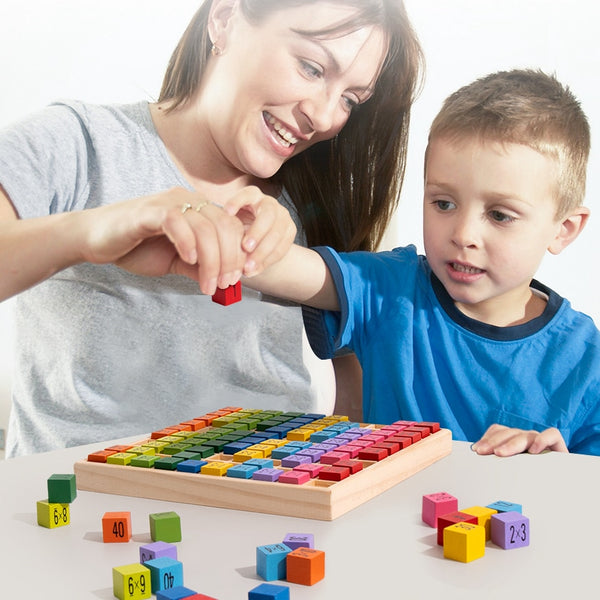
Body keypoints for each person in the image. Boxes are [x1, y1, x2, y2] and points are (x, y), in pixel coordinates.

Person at [0, 0, 424, 457]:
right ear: (223, 20)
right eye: (311, 67)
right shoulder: (79, 142)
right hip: (85, 508)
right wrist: (90, 232)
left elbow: (357, 374)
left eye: (349, 100)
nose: (323, 117)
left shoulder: (316, 196)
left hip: (266, 504)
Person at [233, 69, 600, 457]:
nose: (463, 234)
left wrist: (562, 471)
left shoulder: (586, 361)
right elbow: (278, 266)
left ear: (564, 229)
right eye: (444, 204)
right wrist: (231, 231)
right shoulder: (390, 289)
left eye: (499, 215)